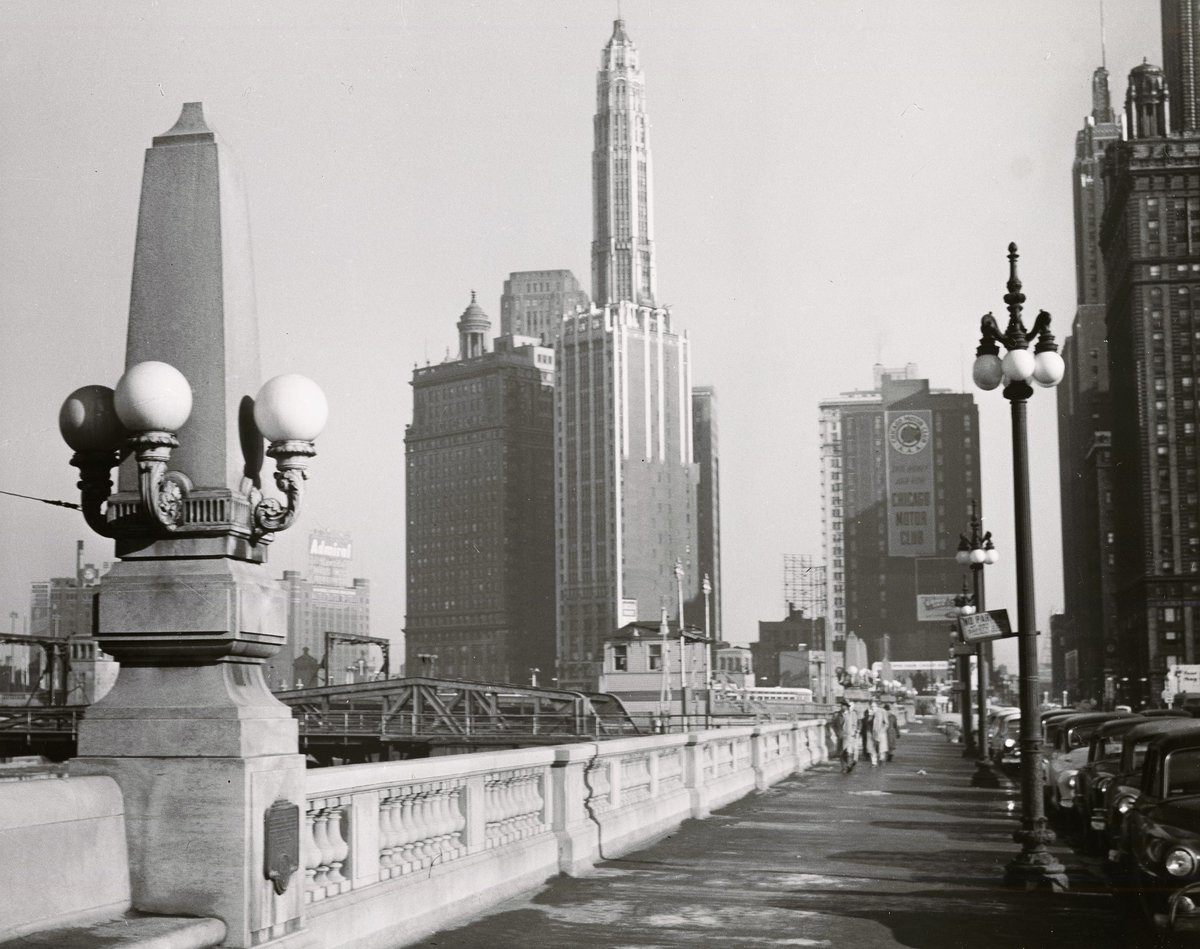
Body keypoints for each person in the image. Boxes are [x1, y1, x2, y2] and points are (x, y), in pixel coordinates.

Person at [834, 698, 860, 772]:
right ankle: (844, 767)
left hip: (849, 736)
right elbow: (833, 725)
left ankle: (849, 765)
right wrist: (837, 732)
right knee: (841, 753)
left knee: (848, 752)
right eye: (842, 705)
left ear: (847, 706)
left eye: (844, 705)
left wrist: (853, 732)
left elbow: (855, 724)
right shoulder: (837, 714)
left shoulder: (853, 714)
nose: (843, 707)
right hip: (841, 735)